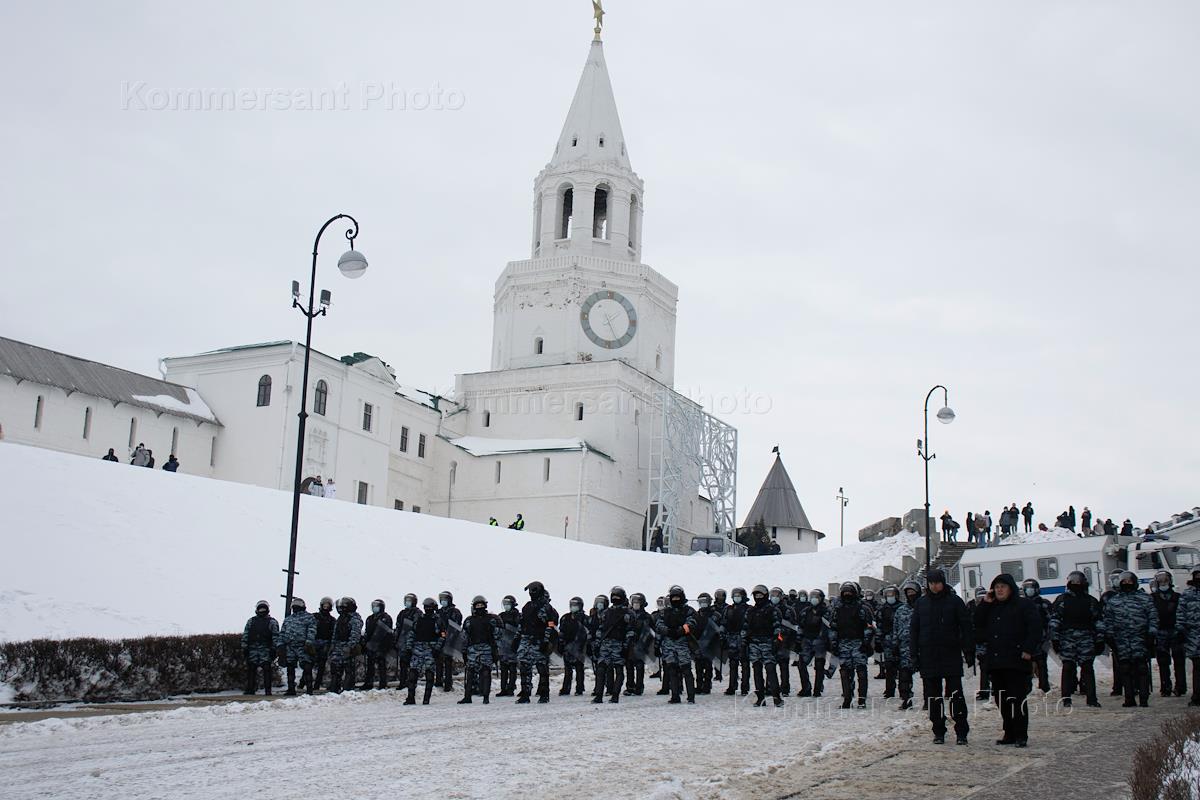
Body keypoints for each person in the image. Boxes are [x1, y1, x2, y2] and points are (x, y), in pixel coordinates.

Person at [975, 574, 1041, 747]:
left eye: (1003, 587)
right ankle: (1009, 732)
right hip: (997, 662)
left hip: (1017, 660)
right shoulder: (991, 606)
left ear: (1011, 588)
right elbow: (977, 623)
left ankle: (1021, 734)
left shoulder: (1023, 605)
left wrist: (1028, 650)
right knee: (1002, 700)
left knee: (1017, 699)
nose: (999, 590)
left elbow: (1035, 628)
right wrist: (985, 603)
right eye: (996, 587)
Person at [911, 568, 973, 745]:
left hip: (950, 654)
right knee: (933, 697)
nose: (934, 586)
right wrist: (914, 654)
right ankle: (938, 730)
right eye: (931, 583)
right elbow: (914, 630)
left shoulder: (954, 601)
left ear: (943, 582)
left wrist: (968, 650)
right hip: (928, 656)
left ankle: (961, 731)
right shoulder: (921, 603)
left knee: (956, 696)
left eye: (937, 582)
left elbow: (966, 627)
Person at [1049, 570, 1104, 708]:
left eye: (1079, 582)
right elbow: (1055, 621)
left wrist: (1100, 639)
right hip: (1067, 639)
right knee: (1068, 668)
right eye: (1073, 582)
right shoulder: (1062, 600)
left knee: (1087, 668)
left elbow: (1098, 622)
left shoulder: (1091, 601)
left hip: (1086, 638)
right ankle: (1066, 699)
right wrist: (1055, 639)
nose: (1076, 584)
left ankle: (1091, 699)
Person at [1104, 570, 1158, 708]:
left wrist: (1151, 634)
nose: (1127, 584)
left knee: (1141, 667)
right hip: (1121, 639)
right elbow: (1108, 620)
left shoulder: (1145, 598)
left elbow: (1153, 617)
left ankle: (1144, 698)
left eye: (1130, 582)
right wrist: (1109, 637)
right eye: (1124, 582)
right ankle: (1129, 698)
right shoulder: (1114, 601)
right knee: (1125, 668)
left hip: (1140, 638)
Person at [830, 581, 874, 709]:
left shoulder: (862, 608)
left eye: (850, 592)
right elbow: (833, 628)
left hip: (859, 644)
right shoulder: (837, 609)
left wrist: (865, 642)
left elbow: (869, 627)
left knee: (861, 672)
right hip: (843, 644)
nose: (847, 594)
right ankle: (847, 699)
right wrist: (834, 644)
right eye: (845, 592)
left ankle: (861, 700)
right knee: (845, 672)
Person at [516, 580, 558, 703]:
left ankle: (544, 694)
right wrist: (517, 638)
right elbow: (522, 623)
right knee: (524, 667)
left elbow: (550, 625)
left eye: (533, 590)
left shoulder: (547, 607)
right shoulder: (527, 606)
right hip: (526, 640)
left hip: (539, 640)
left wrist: (546, 641)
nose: (531, 593)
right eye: (530, 591)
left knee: (542, 668)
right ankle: (525, 693)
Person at [593, 586, 636, 703]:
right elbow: (601, 629)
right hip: (606, 644)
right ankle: (599, 695)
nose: (615, 598)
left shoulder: (628, 613)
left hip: (619, 644)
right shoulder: (606, 613)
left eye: (617, 596)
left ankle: (614, 695)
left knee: (618, 670)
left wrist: (626, 646)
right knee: (601, 669)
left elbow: (630, 631)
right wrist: (597, 644)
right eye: (614, 596)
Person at [743, 584, 784, 707]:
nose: (758, 597)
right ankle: (760, 698)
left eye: (760, 595)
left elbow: (778, 626)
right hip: (754, 644)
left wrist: (777, 640)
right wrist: (744, 641)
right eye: (756, 595)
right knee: (756, 671)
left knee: (771, 670)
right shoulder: (750, 611)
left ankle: (776, 697)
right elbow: (745, 627)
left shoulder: (772, 610)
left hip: (768, 643)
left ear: (765, 595)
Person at [657, 585, 698, 704]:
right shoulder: (665, 611)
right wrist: (667, 631)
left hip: (682, 643)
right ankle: (675, 696)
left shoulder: (688, 610)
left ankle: (691, 696)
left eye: (677, 598)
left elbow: (692, 622)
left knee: (686, 670)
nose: (675, 600)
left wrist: (682, 630)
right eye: (673, 598)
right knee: (672, 670)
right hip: (669, 644)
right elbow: (659, 625)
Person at [1150, 570, 1187, 697]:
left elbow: (1183, 613)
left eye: (1165, 580)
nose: (1163, 582)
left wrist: (1181, 630)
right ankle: (1165, 686)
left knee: (1179, 660)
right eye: (1160, 580)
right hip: (1160, 632)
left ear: (1170, 581)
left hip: (1175, 631)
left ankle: (1180, 686)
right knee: (1163, 661)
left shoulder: (1177, 597)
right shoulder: (1153, 598)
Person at [458, 595, 500, 704]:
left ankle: (486, 697)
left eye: (481, 605)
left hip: (487, 649)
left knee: (486, 673)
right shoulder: (469, 620)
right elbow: (464, 637)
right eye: (477, 605)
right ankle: (467, 696)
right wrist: (464, 651)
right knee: (470, 673)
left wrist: (495, 650)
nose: (479, 607)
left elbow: (497, 635)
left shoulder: (492, 619)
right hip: (472, 649)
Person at [404, 598, 442, 705]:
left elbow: (442, 636)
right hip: (418, 647)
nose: (427, 609)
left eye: (429, 607)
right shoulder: (419, 619)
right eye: (426, 607)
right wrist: (408, 648)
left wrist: (437, 648)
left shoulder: (438, 620)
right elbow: (412, 633)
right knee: (412, 674)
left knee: (429, 675)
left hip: (431, 648)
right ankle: (411, 698)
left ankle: (426, 699)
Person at [891, 580, 921, 710]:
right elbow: (896, 629)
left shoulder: (924, 607)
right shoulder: (900, 610)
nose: (910, 594)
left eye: (912, 592)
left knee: (928, 676)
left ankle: (929, 700)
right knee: (904, 676)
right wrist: (895, 646)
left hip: (922, 647)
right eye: (908, 592)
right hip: (904, 648)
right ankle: (906, 699)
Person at [1020, 579, 1054, 693]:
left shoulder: (1043, 603)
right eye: (1026, 588)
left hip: (1042, 638)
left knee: (1042, 663)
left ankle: (1044, 686)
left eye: (1031, 587)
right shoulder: (1021, 604)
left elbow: (1051, 620)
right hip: (1026, 638)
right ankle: (1026, 688)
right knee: (1026, 665)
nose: (1029, 590)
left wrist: (1049, 636)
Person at [241, 600, 280, 695]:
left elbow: (275, 636)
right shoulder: (251, 621)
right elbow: (246, 635)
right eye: (260, 609)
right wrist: (245, 647)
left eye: (264, 609)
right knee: (251, 669)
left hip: (266, 649)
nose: (262, 611)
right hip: (253, 649)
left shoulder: (272, 622)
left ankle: (268, 691)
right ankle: (250, 689)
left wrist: (274, 649)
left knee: (267, 669)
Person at [279, 597, 317, 695]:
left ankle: (309, 689)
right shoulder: (288, 619)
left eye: (298, 605)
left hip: (303, 646)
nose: (296, 606)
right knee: (290, 668)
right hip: (290, 646)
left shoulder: (309, 617)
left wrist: (308, 642)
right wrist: (280, 645)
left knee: (307, 667)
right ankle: (291, 689)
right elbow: (283, 632)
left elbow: (312, 630)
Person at [795, 588, 829, 697]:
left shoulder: (826, 611)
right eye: (812, 597)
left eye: (816, 597)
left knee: (819, 666)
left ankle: (817, 689)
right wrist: (798, 640)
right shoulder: (806, 611)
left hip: (820, 642)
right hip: (806, 641)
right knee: (801, 664)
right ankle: (806, 688)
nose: (814, 599)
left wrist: (829, 641)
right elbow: (800, 626)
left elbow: (829, 627)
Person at [328, 597, 363, 694]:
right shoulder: (341, 618)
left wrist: (350, 646)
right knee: (335, 668)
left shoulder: (355, 618)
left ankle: (348, 689)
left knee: (348, 669)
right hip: (338, 646)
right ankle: (334, 688)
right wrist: (333, 645)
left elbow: (355, 634)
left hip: (348, 646)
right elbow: (335, 633)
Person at [1100, 570, 1125, 697]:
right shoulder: (1107, 596)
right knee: (1116, 661)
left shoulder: (1129, 593)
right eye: (1113, 578)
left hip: (1127, 632)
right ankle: (1118, 686)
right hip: (1112, 633)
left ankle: (1134, 686)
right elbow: (1102, 614)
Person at [723, 586, 751, 696]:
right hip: (732, 638)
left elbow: (750, 623)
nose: (736, 598)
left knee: (745, 664)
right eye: (735, 596)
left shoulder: (749, 609)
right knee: (733, 664)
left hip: (744, 638)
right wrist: (722, 634)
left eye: (739, 596)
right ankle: (732, 686)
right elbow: (724, 623)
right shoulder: (729, 609)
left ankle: (745, 687)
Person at [361, 599, 394, 690]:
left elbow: (384, 633)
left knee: (381, 665)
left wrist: (383, 646)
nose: (374, 608)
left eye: (376, 606)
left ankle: (383, 683)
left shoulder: (386, 618)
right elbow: (367, 632)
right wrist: (365, 643)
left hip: (381, 646)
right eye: (373, 606)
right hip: (370, 645)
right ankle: (368, 683)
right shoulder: (370, 618)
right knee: (370, 665)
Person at [558, 596, 587, 696]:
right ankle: (566, 688)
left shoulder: (584, 618)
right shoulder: (565, 617)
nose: (573, 607)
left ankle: (579, 689)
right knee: (568, 670)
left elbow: (587, 633)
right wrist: (560, 644)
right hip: (568, 647)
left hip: (580, 647)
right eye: (572, 605)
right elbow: (561, 631)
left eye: (575, 605)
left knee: (579, 669)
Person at [876, 585, 901, 699]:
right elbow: (879, 626)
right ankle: (889, 690)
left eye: (892, 595)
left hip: (901, 641)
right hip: (887, 641)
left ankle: (904, 691)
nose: (890, 597)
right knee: (889, 667)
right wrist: (878, 641)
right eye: (888, 595)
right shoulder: (882, 609)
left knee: (903, 667)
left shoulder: (902, 608)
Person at [1179, 566, 1200, 707]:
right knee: (1197, 667)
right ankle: (1197, 696)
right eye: (1196, 575)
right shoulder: (1187, 594)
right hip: (1193, 637)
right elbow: (1180, 614)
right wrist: (1180, 631)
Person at [771, 586, 797, 694]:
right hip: (771, 641)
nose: (774, 597)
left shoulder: (788, 610)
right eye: (772, 595)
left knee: (783, 666)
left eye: (777, 595)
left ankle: (785, 687)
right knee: (770, 666)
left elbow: (793, 626)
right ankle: (770, 687)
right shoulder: (768, 608)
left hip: (784, 641)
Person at [625, 593, 653, 695]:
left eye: (638, 602)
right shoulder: (628, 615)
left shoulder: (646, 616)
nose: (636, 604)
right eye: (634, 602)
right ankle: (630, 687)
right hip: (630, 644)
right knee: (629, 666)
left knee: (639, 666)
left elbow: (651, 631)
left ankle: (639, 687)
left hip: (641, 645)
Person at [435, 590, 462, 692]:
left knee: (448, 662)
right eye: (441, 599)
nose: (443, 601)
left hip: (450, 639)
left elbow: (456, 626)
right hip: (439, 639)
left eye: (445, 599)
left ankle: (448, 683)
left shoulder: (455, 612)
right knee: (438, 661)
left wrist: (448, 635)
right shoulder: (439, 612)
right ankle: (438, 681)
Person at [693, 592, 719, 694]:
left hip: (710, 643)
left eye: (704, 601)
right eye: (701, 602)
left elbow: (717, 628)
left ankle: (707, 686)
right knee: (698, 666)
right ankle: (699, 686)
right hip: (699, 643)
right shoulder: (696, 614)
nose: (703, 603)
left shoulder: (715, 614)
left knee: (708, 666)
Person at [394, 593, 420, 692]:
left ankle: (412, 683)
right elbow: (398, 627)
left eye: (409, 600)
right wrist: (396, 640)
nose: (407, 602)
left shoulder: (417, 613)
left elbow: (417, 628)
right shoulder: (402, 613)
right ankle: (402, 682)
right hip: (402, 642)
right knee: (403, 664)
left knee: (413, 665)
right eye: (406, 600)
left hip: (413, 643)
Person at [496, 595, 520, 697]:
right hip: (503, 645)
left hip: (513, 644)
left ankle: (511, 688)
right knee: (504, 669)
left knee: (512, 668)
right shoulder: (500, 615)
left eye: (508, 604)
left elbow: (519, 628)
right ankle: (503, 688)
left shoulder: (517, 615)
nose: (506, 606)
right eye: (504, 604)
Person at [311, 596, 335, 691]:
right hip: (314, 642)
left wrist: (331, 644)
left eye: (327, 605)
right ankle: (302, 682)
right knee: (310, 663)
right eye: (324, 605)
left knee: (322, 664)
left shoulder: (332, 620)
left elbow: (333, 633)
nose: (326, 607)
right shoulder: (314, 616)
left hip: (325, 643)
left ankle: (317, 684)